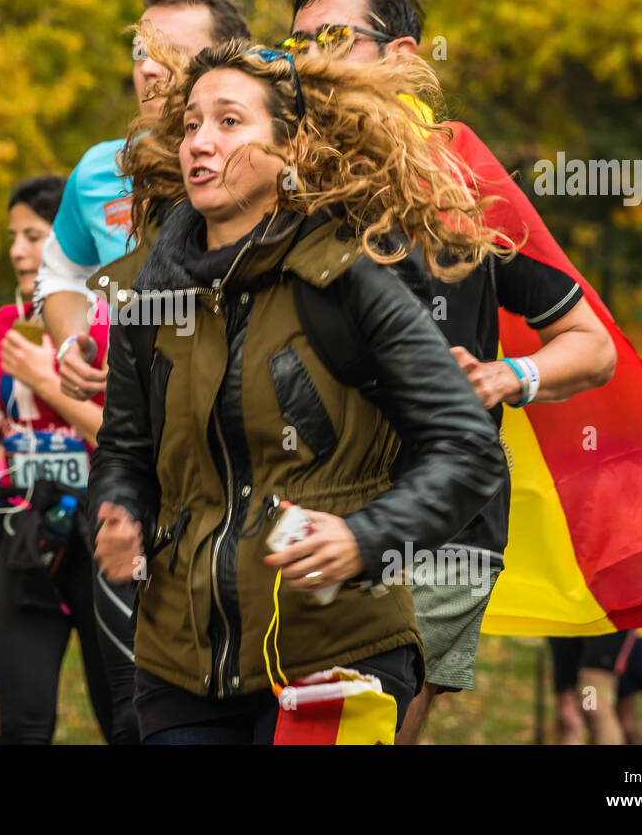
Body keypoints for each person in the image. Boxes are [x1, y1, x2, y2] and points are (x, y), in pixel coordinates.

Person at [90, 36, 508, 743]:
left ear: (292, 149)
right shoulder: (148, 295)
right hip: (178, 665)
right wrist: (120, 511)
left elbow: (468, 449)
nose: (200, 142)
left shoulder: (352, 276)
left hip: (336, 653)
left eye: (229, 122)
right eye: (191, 123)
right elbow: (124, 451)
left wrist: (363, 538)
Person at [283, 0, 617, 742]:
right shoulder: (281, 175)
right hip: (304, 501)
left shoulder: (464, 184)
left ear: (400, 55)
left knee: (374, 727)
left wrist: (509, 373)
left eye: (332, 40)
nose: (307, 61)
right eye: (295, 45)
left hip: (440, 521)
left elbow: (591, 348)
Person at [36, 0, 250, 747]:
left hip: (247, 477)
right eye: (137, 49)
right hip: (132, 466)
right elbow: (57, 275)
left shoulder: (266, 156)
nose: (148, 67)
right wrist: (69, 342)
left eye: (169, 51)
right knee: (137, 706)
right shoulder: (100, 168)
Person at [0, 174, 115, 744]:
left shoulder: (109, 321)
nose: (16, 250)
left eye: (32, 236)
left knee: (124, 715)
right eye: (12, 236)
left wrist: (46, 380)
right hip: (27, 528)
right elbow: (21, 426)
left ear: (64, 242)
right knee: (23, 721)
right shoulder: (8, 322)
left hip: (102, 528)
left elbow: (120, 438)